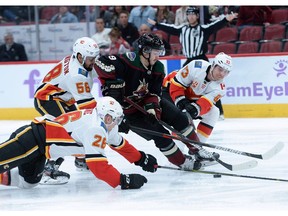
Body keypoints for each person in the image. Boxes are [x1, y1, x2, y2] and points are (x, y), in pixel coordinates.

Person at [94, 33, 218, 170]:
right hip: (129, 113)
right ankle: (182, 162)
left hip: (144, 103)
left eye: (160, 52)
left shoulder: (158, 67)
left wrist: (153, 109)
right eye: (156, 52)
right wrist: (113, 82)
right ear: (145, 51)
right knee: (161, 136)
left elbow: (154, 93)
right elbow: (100, 62)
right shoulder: (129, 60)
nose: (158, 56)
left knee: (181, 119)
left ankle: (197, 149)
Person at [0, 96, 157, 190]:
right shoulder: (96, 128)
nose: (118, 123)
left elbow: (119, 143)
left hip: (41, 150)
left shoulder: (101, 120)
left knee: (29, 182)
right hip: (32, 139)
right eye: (117, 120)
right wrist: (123, 181)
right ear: (108, 118)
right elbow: (98, 167)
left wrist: (141, 159)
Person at [147, 6, 237, 120]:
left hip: (202, 59)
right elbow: (170, 28)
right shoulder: (182, 29)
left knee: (214, 84)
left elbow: (215, 26)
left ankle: (219, 113)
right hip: (190, 60)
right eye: (189, 14)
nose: (191, 16)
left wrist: (226, 19)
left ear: (197, 16)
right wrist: (156, 24)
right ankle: (175, 103)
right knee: (178, 80)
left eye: (193, 14)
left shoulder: (203, 28)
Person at [34, 37, 100, 184]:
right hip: (47, 99)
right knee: (66, 131)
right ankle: (48, 169)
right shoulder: (77, 75)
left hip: (59, 99)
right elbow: (88, 107)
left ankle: (80, 159)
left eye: (95, 58)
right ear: (80, 56)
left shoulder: (78, 61)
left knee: (78, 126)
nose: (93, 62)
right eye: (91, 59)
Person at [162, 52, 233, 144]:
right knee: (181, 117)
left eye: (226, 72)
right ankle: (179, 149)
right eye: (220, 69)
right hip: (168, 91)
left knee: (214, 112)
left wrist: (193, 110)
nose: (222, 74)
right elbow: (177, 85)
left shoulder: (220, 89)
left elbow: (204, 103)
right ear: (213, 65)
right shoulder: (196, 66)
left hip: (190, 98)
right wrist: (182, 104)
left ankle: (197, 146)